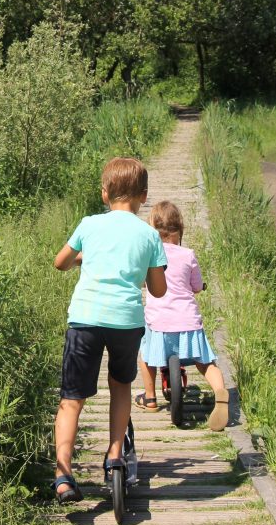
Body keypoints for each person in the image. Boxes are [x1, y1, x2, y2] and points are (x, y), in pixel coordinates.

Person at [51, 156, 167, 503]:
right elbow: (158, 289)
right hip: (126, 322)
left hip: (86, 318)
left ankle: (63, 475)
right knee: (120, 386)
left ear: (105, 194)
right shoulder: (149, 234)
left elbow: (60, 263)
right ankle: (115, 455)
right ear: (143, 196)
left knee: (72, 400)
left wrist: (85, 258)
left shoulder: (89, 225)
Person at [137, 200, 229, 431]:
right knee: (205, 362)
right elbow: (196, 286)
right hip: (188, 322)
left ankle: (149, 398)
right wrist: (199, 287)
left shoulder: (149, 254)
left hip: (159, 324)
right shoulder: (188, 254)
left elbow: (140, 279)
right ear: (180, 229)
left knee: (146, 354)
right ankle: (220, 390)